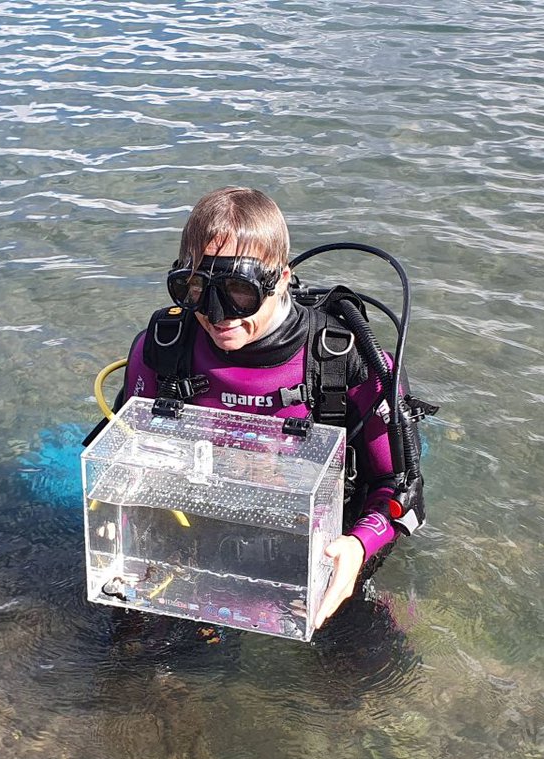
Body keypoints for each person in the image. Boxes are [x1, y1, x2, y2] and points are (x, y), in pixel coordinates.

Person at [115, 187, 426, 631]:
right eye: (197, 289)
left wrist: (357, 547)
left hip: (325, 553)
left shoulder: (347, 362)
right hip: (200, 542)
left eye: (239, 292)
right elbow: (126, 458)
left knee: (369, 685)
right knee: (130, 665)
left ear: (279, 279)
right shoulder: (163, 350)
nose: (219, 314)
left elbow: (402, 488)